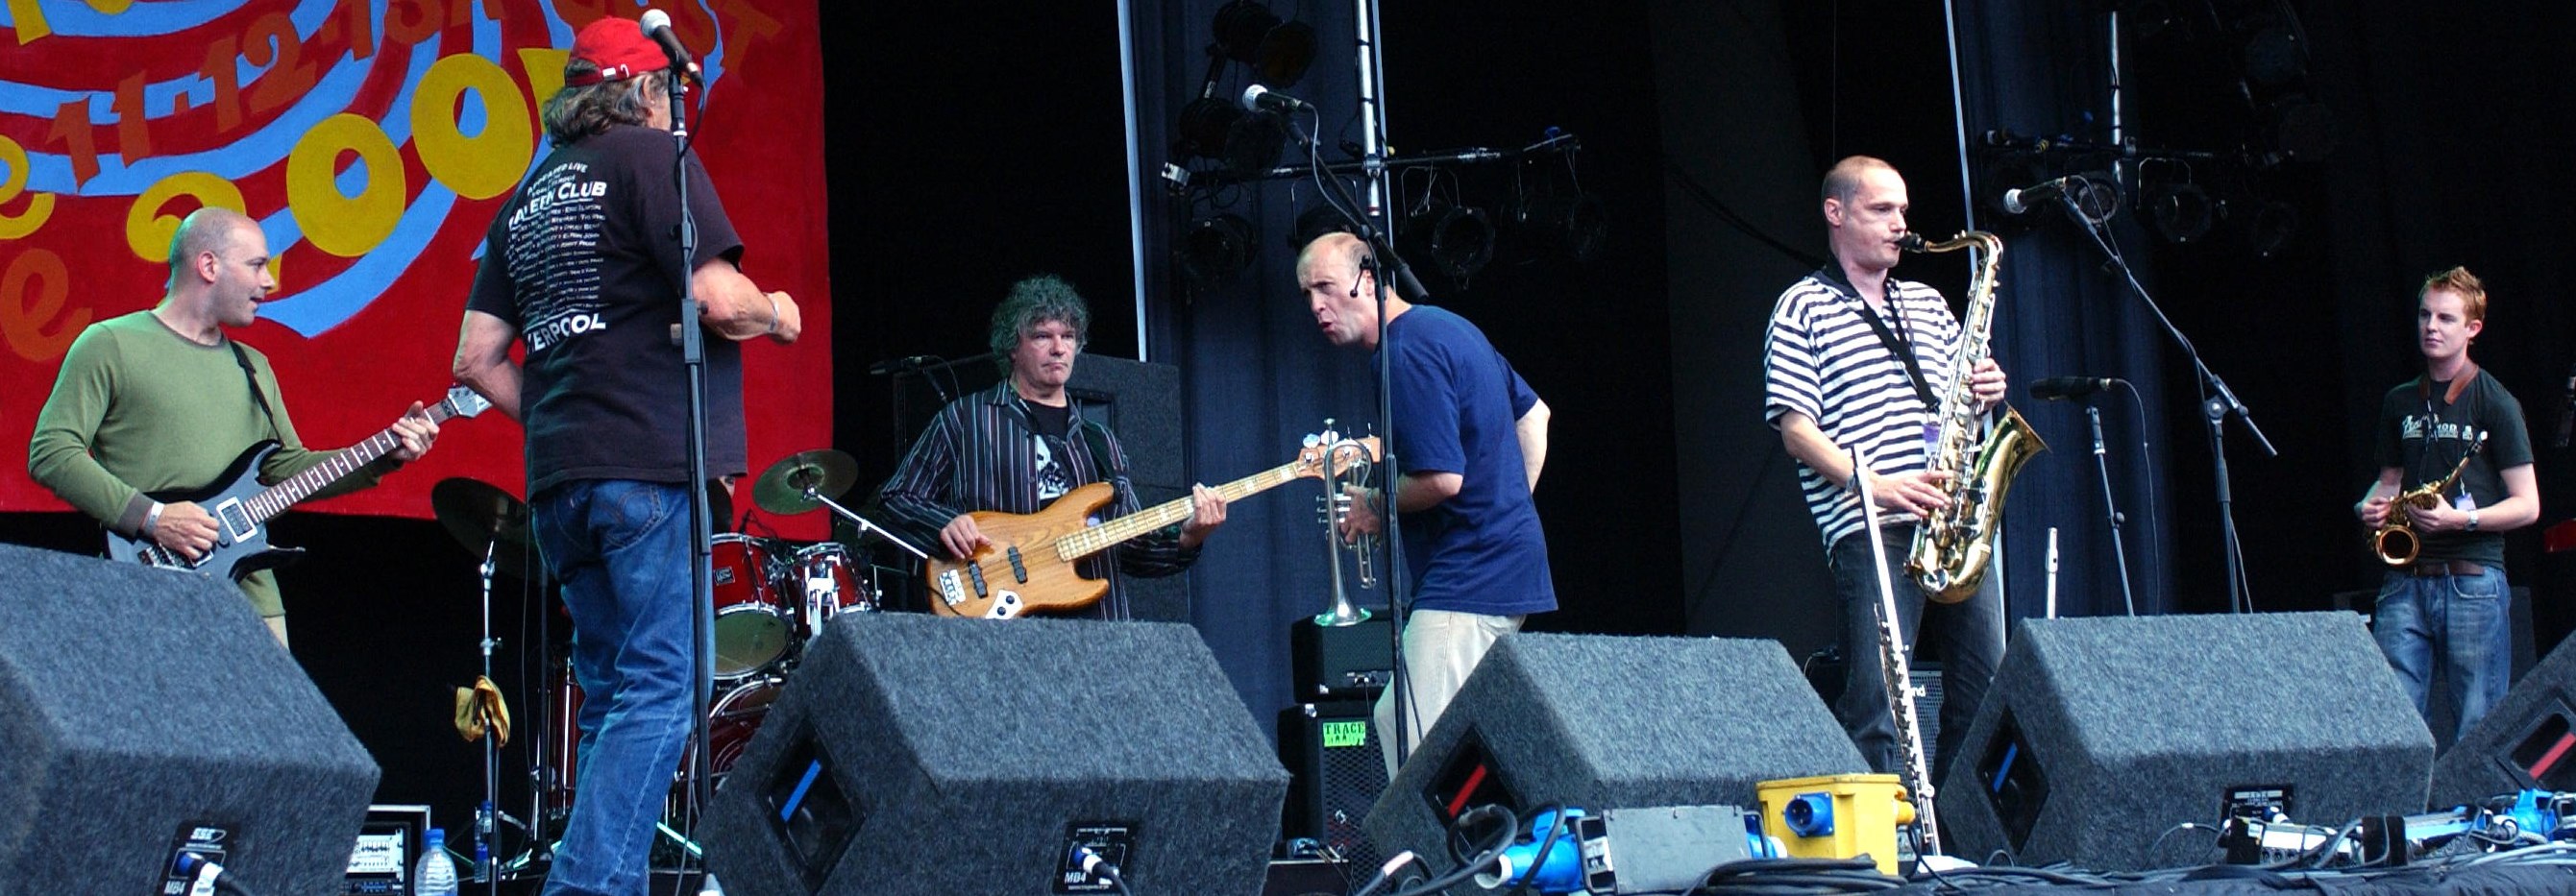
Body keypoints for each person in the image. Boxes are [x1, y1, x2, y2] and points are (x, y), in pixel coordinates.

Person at [449, 15, 799, 896]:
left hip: (561, 479)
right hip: (646, 469)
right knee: (664, 688)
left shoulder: (522, 200)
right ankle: (589, 886)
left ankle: (609, 882)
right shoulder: (653, 158)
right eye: (670, 94)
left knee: (610, 695)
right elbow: (721, 304)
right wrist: (783, 313)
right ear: (648, 93)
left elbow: (476, 359)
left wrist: (567, 417)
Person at [29, 206, 438, 648]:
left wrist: (385, 453)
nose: (270, 281)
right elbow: (52, 451)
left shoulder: (254, 367)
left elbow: (286, 470)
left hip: (252, 598)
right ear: (208, 265)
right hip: (150, 581)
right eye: (257, 264)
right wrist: (155, 518)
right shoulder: (109, 344)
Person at [1762, 156, 2005, 782]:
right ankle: (1886, 860)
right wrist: (1874, 484)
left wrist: (1984, 388)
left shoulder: (1926, 301)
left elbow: (1962, 409)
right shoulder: (1801, 306)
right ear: (1835, 213)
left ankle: (1958, 845)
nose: (1900, 223)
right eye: (1881, 209)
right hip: (1873, 522)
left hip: (1952, 519)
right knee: (1878, 702)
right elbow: (1795, 431)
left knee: (1983, 695)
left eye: (1902, 210)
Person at [1295, 231, 1554, 777]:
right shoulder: (1452, 328)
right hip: (1499, 566)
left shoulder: (1402, 352)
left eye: (1324, 287)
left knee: (1413, 737)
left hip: (1470, 578)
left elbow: (1442, 480)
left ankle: (1442, 864)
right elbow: (1536, 418)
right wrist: (1508, 511)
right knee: (1442, 734)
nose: (1316, 306)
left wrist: (1372, 503)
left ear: (1367, 279)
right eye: (1306, 294)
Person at [874, 275, 1225, 620]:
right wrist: (944, 523)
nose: (1059, 348)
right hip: (999, 626)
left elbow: (1130, 550)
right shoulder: (965, 419)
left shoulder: (1101, 442)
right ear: (1013, 347)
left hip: (1096, 635)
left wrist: (1188, 537)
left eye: (1068, 336)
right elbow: (894, 500)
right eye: (1043, 336)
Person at [2355, 266, 2536, 742]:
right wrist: (2370, 507)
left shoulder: (2496, 402)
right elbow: (2387, 484)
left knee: (2478, 726)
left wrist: (2462, 518)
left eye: (2446, 318)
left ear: (2473, 329)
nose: (2431, 326)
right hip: (2404, 581)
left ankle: (2479, 817)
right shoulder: (2399, 401)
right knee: (2396, 726)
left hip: (2472, 578)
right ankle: (2401, 819)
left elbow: (2528, 504)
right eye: (2425, 315)